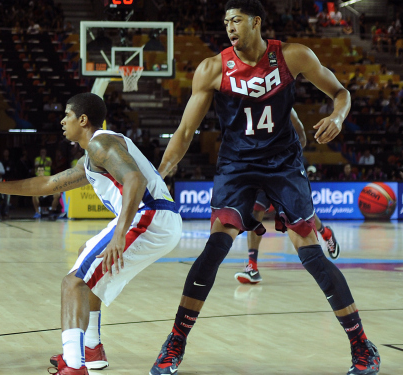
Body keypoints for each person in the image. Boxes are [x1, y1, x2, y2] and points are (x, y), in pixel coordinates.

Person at [150, 1, 380, 375]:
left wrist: (337, 116)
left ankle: (362, 346)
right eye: (226, 22)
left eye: (236, 20)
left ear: (255, 22)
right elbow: (186, 132)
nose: (229, 27)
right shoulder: (211, 68)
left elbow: (341, 92)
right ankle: (175, 341)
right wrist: (161, 174)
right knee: (214, 249)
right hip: (237, 166)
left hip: (283, 164)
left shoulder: (293, 56)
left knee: (311, 255)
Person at [0, 93, 182, 375]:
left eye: (66, 115)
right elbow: (48, 183)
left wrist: (120, 233)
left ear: (83, 120)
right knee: (86, 257)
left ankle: (73, 365)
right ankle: (91, 350)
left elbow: (135, 178)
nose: (62, 121)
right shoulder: (92, 155)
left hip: (149, 217)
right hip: (155, 219)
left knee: (73, 284)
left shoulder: (101, 143)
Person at [235, 109, 340, 284]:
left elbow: (303, 139)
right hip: (261, 170)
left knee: (300, 216)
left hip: (284, 170)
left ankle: (326, 233)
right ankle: (252, 266)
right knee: (255, 213)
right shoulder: (246, 109)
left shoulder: (283, 106)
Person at [32, 147, 59, 218]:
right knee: (33, 195)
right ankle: (37, 212)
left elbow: (50, 164)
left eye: (44, 152)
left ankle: (52, 211)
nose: (43, 153)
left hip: (48, 185)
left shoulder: (48, 159)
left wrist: (44, 160)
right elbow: (36, 165)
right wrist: (43, 161)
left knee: (57, 194)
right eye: (42, 152)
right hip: (40, 188)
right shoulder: (37, 159)